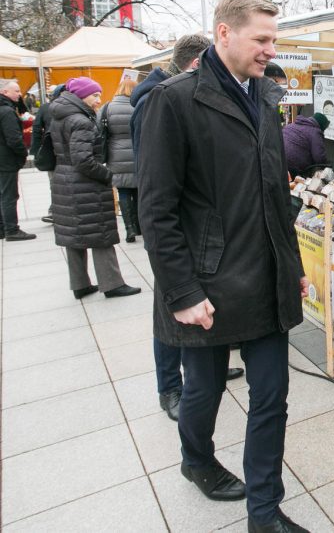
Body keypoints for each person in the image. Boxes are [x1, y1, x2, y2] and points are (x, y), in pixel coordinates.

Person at [138, 0, 309, 533]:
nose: (269, 49)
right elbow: (156, 209)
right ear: (223, 34)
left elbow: (274, 190)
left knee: (272, 395)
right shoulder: (173, 100)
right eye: (261, 39)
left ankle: (264, 512)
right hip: (206, 281)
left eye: (273, 40)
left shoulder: (264, 95)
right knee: (204, 392)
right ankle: (196, 460)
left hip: (264, 276)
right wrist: (183, 294)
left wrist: (294, 263)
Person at [130, 33, 242, 423]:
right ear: (197, 63)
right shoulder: (159, 100)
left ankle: (208, 364)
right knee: (172, 309)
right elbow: (157, 187)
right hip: (177, 233)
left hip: (203, 231)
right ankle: (170, 387)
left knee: (201, 315)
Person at [49, 77, 140, 299]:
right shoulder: (80, 120)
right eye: (95, 95)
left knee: (73, 235)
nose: (99, 99)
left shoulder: (60, 115)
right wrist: (108, 175)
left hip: (64, 180)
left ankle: (79, 284)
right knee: (101, 232)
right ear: (81, 95)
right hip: (84, 184)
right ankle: (112, 284)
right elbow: (83, 160)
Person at [101, 77, 140, 242]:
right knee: (138, 191)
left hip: (116, 155)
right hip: (137, 153)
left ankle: (129, 228)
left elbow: (100, 131)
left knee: (123, 192)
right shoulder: (138, 106)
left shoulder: (107, 108)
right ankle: (140, 226)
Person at [0, 79, 34, 241]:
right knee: (9, 195)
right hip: (6, 159)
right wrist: (22, 154)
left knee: (3, 194)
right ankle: (12, 230)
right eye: (16, 91)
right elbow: (14, 139)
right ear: (5, 92)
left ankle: (3, 228)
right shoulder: (6, 111)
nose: (20, 94)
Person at [31, 84, 65, 223]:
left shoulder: (46, 108)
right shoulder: (47, 108)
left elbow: (37, 128)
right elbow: (37, 128)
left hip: (53, 151)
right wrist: (37, 150)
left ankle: (56, 211)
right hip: (55, 152)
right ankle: (56, 210)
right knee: (56, 182)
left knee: (55, 182)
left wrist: (37, 150)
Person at [281, 111, 327, 177]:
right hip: (294, 168)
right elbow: (320, 158)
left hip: (278, 160)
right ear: (321, 126)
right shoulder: (315, 132)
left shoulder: (291, 125)